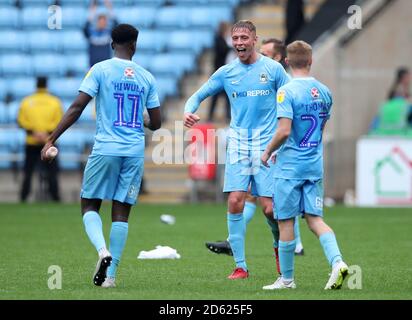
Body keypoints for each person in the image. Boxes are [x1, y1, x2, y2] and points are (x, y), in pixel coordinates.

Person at [41, 24, 161, 288]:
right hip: (133, 152)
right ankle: (112, 276)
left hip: (106, 148)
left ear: (111, 44)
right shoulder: (146, 77)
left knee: (89, 204)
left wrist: (51, 138)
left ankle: (101, 250)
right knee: (121, 212)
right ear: (134, 46)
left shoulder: (100, 70)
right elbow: (157, 122)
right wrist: (141, 119)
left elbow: (77, 107)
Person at [184, 20, 289, 280]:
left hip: (267, 145)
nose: (240, 42)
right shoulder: (226, 72)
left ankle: (279, 250)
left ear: (254, 39)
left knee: (269, 209)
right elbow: (198, 95)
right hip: (240, 144)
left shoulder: (273, 70)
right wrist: (189, 110)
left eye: (244, 37)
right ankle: (241, 266)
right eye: (236, 38)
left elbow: (292, 96)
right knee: (234, 200)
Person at [205, 38, 305, 262]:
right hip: (247, 145)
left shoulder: (278, 80)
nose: (261, 57)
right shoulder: (247, 75)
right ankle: (237, 251)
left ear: (278, 58)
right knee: (242, 198)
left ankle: (294, 243)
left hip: (273, 146)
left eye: (267, 53)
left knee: (271, 206)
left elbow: (292, 110)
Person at [261, 40, 348, 290]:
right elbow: (320, 127)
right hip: (314, 166)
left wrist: (268, 151)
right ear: (310, 61)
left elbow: (284, 130)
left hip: (290, 168)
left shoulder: (286, 91)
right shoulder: (324, 91)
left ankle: (287, 279)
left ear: (287, 62)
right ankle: (337, 262)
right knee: (315, 220)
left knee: (286, 221)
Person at [17, 77, 63, 202]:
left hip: (31, 142)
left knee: (28, 173)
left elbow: (21, 121)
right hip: (50, 143)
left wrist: (33, 133)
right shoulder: (54, 101)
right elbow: (59, 122)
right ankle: (55, 198)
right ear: (46, 85)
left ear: (36, 85)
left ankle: (23, 198)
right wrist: (46, 134)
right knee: (52, 173)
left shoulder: (26, 101)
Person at [208, 22, 232, 122]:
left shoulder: (223, 39)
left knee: (226, 95)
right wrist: (232, 48)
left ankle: (227, 115)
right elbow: (223, 50)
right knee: (216, 96)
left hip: (224, 73)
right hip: (218, 72)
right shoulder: (218, 39)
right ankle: (211, 115)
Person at [84, 0, 118, 67]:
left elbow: (116, 25)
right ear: (97, 22)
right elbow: (85, 27)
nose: (102, 23)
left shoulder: (109, 33)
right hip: (93, 66)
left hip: (106, 66)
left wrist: (109, 7)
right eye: (100, 21)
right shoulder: (91, 33)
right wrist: (92, 10)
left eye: (104, 21)